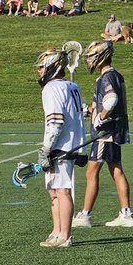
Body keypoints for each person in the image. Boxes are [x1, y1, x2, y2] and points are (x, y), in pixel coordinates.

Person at [72, 39, 133, 229]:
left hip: (105, 134)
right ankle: (126, 213)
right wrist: (91, 110)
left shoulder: (106, 77)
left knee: (92, 172)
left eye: (91, 56)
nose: (88, 60)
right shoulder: (115, 75)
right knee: (116, 171)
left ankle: (85, 215)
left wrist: (101, 117)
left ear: (100, 56)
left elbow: (111, 99)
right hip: (114, 131)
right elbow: (106, 102)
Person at [34, 47, 86, 248]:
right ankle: (56, 231)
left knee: (62, 191)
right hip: (71, 144)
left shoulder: (52, 88)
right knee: (54, 191)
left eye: (41, 67)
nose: (39, 71)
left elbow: (55, 122)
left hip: (61, 146)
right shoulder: (72, 86)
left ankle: (65, 234)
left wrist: (46, 149)